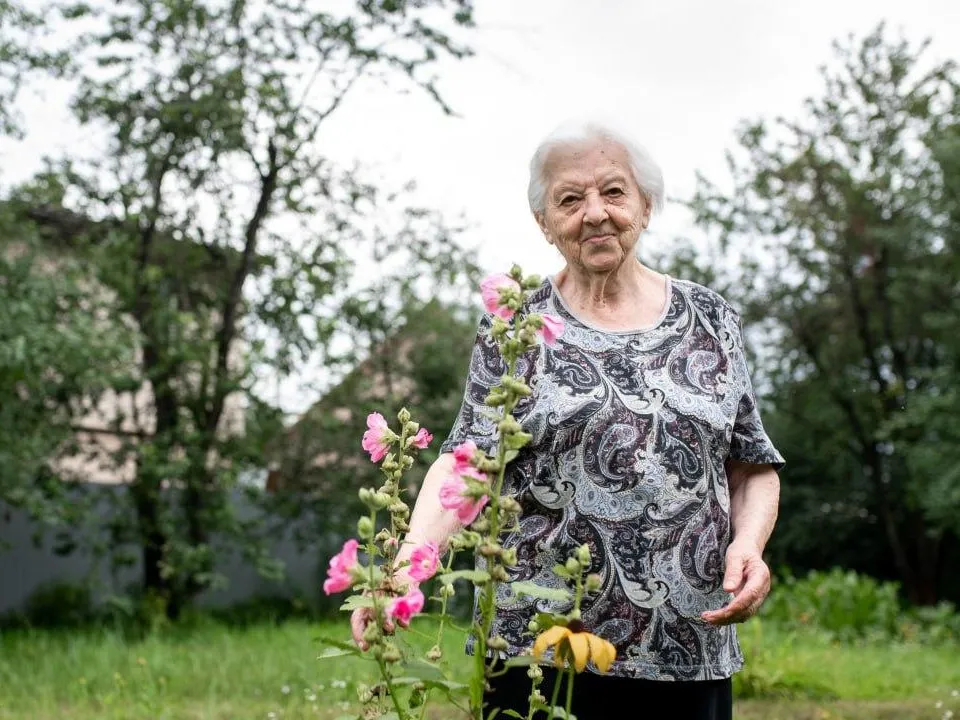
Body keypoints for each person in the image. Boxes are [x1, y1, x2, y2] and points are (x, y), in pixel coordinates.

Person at [351, 119, 784, 720]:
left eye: (614, 191)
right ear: (544, 223)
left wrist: (750, 545)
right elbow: (468, 460)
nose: (595, 213)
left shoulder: (710, 318)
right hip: (537, 650)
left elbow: (751, 465)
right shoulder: (517, 323)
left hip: (688, 644)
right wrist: (404, 570)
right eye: (570, 199)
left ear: (646, 204)